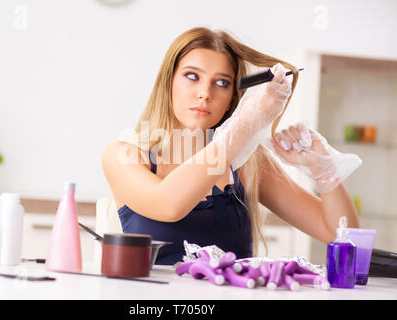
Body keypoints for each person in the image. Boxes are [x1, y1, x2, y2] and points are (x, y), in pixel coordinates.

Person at [101, 27, 361, 265]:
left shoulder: (248, 161)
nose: (205, 93)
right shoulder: (122, 155)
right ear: (167, 82)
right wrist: (247, 123)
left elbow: (343, 236)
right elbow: (168, 205)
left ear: (231, 100)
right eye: (192, 76)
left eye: (222, 83)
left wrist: (324, 169)